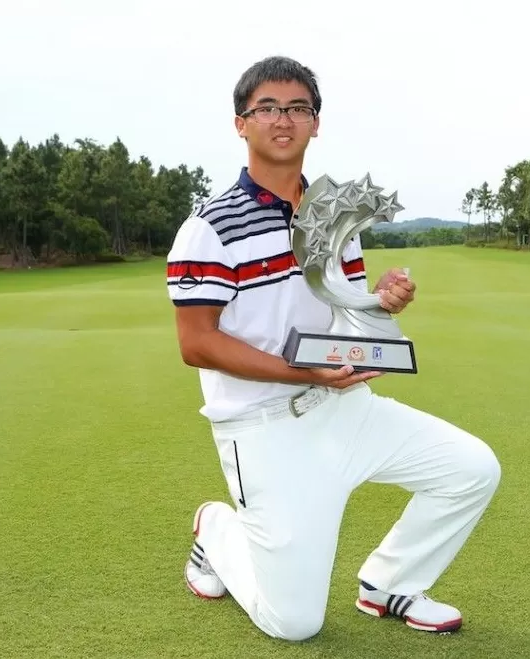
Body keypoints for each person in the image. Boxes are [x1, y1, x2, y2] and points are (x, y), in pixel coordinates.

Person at [165, 55, 501, 642]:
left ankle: (390, 584)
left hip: (344, 409)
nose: (283, 119)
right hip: (264, 426)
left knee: (471, 469)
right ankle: (217, 530)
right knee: (294, 624)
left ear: (316, 123)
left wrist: (381, 302)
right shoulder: (210, 226)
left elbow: (340, 309)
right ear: (241, 123)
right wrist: (306, 375)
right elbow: (197, 345)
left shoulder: (334, 215)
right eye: (266, 107)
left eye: (298, 107)